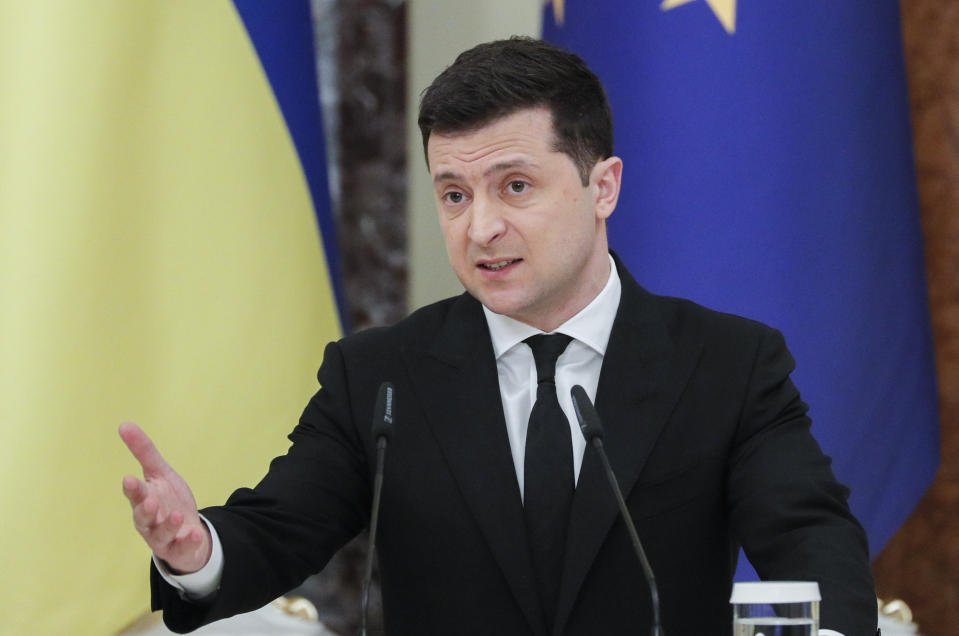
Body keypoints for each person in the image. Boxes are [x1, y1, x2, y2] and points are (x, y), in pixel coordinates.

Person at [121, 37, 878, 635]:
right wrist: (198, 551)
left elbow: (811, 537)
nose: (480, 227)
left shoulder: (726, 363)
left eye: (515, 187)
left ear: (601, 185)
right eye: (453, 195)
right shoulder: (381, 375)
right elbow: (282, 528)